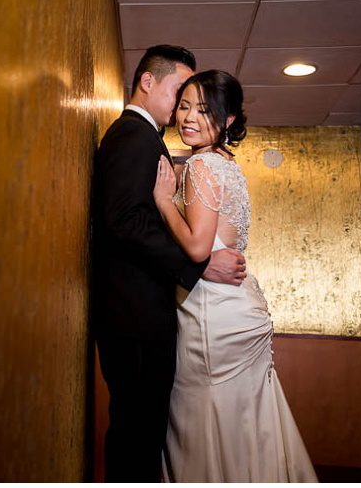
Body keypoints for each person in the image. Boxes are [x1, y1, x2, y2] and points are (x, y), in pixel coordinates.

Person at [91, 45, 247, 482]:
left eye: (196, 104)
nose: (184, 109)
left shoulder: (152, 142)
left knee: (145, 430)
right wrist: (199, 264)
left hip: (144, 312)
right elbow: (124, 219)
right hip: (134, 314)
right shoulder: (132, 135)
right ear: (147, 81)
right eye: (181, 94)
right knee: (138, 433)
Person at [153, 69, 318, 482]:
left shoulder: (202, 167)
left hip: (214, 313)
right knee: (245, 415)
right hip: (239, 303)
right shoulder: (229, 165)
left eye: (203, 110)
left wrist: (162, 200)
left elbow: (197, 248)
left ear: (227, 120)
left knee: (203, 416)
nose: (188, 117)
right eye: (184, 106)